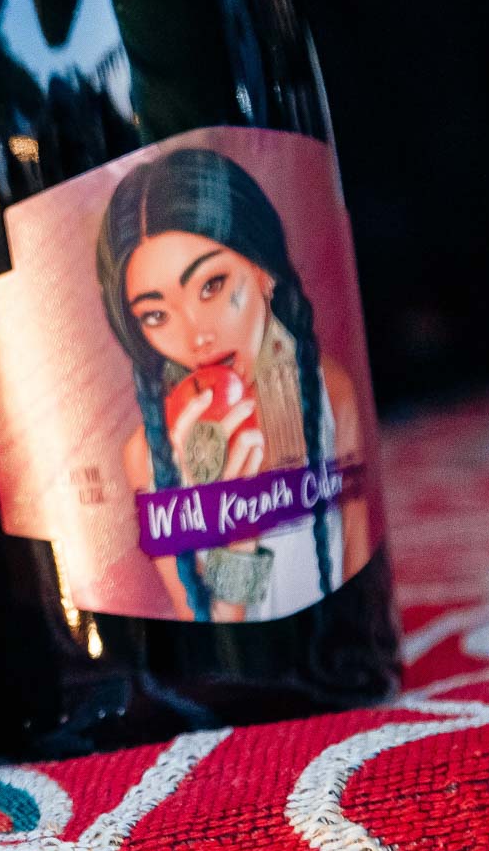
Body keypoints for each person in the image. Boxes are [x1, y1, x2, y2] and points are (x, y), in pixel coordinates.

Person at [97, 149, 373, 622]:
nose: (196, 336)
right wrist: (236, 529)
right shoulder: (150, 454)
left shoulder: (329, 392)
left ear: (262, 270)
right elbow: (212, 633)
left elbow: (358, 581)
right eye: (156, 315)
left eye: (212, 285)